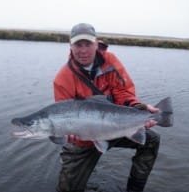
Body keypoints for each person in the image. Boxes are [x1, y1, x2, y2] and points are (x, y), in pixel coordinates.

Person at [53, 23, 160, 192]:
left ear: (96, 43)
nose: (83, 50)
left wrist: (139, 108)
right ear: (70, 46)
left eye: (87, 44)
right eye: (78, 45)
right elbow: (63, 116)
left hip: (115, 126)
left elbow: (122, 91)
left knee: (151, 140)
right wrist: (68, 134)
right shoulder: (62, 79)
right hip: (83, 140)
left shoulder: (110, 61)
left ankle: (135, 189)